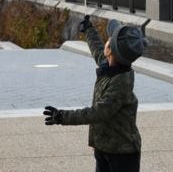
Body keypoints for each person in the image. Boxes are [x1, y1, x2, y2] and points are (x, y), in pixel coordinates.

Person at [43, 16, 147, 171]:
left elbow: (97, 113)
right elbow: (98, 51)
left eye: (109, 40)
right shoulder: (110, 66)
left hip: (122, 153)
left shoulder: (120, 83)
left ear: (111, 50)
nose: (106, 41)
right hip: (104, 146)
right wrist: (89, 30)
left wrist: (62, 116)